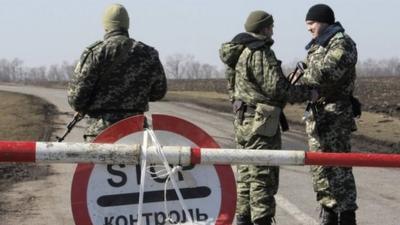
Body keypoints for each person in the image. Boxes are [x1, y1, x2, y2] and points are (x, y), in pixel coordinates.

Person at [219, 10, 314, 225]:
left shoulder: (237, 51)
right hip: (261, 123)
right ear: (264, 28)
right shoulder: (259, 52)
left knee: (245, 174)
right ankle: (261, 220)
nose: (273, 30)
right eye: (271, 26)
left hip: (242, 119)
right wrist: (307, 93)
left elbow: (235, 87)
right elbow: (277, 89)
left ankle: (243, 218)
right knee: (263, 174)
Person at [68, 4, 167, 142]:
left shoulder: (95, 53)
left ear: (106, 26)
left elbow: (76, 99)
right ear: (127, 25)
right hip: (136, 133)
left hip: (101, 133)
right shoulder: (148, 53)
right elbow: (159, 92)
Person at [299, 4, 358, 225]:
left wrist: (302, 79)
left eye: (311, 23)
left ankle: (346, 214)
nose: (309, 28)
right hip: (318, 115)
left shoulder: (341, 42)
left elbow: (327, 73)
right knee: (320, 168)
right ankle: (329, 211)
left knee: (339, 168)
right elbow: (310, 71)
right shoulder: (318, 45)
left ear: (324, 21)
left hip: (335, 115)